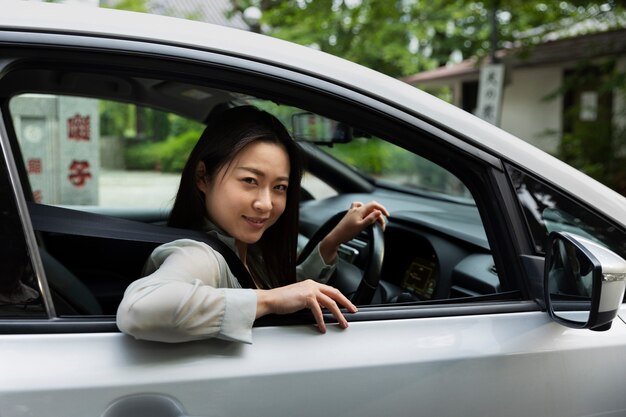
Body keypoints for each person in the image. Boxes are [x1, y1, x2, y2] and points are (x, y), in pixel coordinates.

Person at [116, 105, 389, 343]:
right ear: (202, 177)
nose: (266, 204)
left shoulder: (246, 249)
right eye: (250, 181)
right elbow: (138, 310)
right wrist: (269, 301)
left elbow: (288, 291)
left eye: (280, 187)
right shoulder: (200, 255)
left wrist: (333, 240)